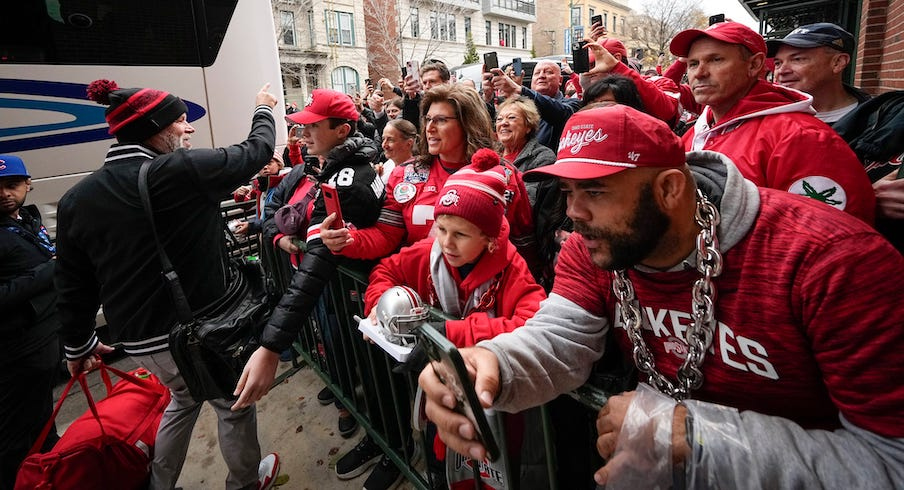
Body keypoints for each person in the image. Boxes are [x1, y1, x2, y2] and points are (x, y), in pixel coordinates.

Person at [418, 104, 904, 488]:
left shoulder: (833, 261)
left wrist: (700, 439)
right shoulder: (595, 248)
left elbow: (890, 463)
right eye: (567, 191)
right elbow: (561, 338)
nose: (573, 213)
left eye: (597, 191)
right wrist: (492, 364)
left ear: (671, 189)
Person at [55, 79, 279, 490]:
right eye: (180, 121)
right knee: (234, 405)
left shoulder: (76, 198)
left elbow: (74, 282)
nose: (188, 129)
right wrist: (263, 107)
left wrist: (78, 345)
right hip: (195, 333)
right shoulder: (176, 171)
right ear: (155, 128)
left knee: (183, 398)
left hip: (142, 343)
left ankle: (159, 483)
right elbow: (257, 151)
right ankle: (246, 483)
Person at [364, 149, 546, 488]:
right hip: (441, 394)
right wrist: (379, 303)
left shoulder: (512, 268)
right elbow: (385, 270)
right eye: (441, 228)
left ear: (490, 239)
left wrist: (448, 333)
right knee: (443, 463)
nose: (445, 243)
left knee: (494, 472)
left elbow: (532, 321)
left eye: (459, 234)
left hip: (497, 406)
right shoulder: (429, 252)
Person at [233, 90, 387, 482]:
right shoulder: (331, 167)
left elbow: (316, 263)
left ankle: (391, 447)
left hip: (361, 296)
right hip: (345, 293)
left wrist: (270, 344)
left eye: (312, 126)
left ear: (342, 131)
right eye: (300, 126)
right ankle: (382, 438)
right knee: (363, 371)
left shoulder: (347, 178)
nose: (301, 134)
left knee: (377, 379)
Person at [669, 21, 876, 224]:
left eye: (716, 60)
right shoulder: (697, 130)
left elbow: (835, 239)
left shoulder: (802, 137)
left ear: (754, 65)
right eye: (693, 64)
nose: (700, 73)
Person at [322, 84, 535, 268]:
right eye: (428, 119)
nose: (430, 128)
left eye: (441, 120)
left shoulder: (504, 175)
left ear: (467, 123)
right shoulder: (405, 174)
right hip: (421, 293)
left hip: (484, 296)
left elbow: (523, 245)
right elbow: (386, 235)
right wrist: (347, 240)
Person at [0, 155, 61, 489]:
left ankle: (47, 474)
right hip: (15, 355)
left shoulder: (27, 219)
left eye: (12, 185)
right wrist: (47, 269)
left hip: (45, 344)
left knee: (43, 424)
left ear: (28, 184)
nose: (4, 194)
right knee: (14, 439)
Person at [494, 97, 560, 288]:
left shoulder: (542, 158)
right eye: (499, 119)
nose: (503, 123)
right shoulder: (492, 156)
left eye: (512, 118)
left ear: (528, 126)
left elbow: (529, 205)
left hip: (527, 252)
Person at [767, 23, 870, 125]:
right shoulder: (765, 115)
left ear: (838, 62)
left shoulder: (878, 122)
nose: (782, 71)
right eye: (778, 63)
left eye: (797, 59)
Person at [485, 60, 582, 151]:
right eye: (537, 73)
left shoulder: (572, 104)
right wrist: (488, 98)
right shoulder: (519, 105)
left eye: (548, 72)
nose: (541, 76)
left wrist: (519, 90)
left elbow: (559, 113)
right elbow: (491, 129)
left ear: (560, 80)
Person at [232, 151, 290, 237]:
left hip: (281, 234)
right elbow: (246, 204)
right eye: (261, 165)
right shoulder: (259, 186)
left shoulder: (287, 183)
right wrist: (239, 195)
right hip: (263, 231)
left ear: (279, 164)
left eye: (269, 163)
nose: (265, 167)